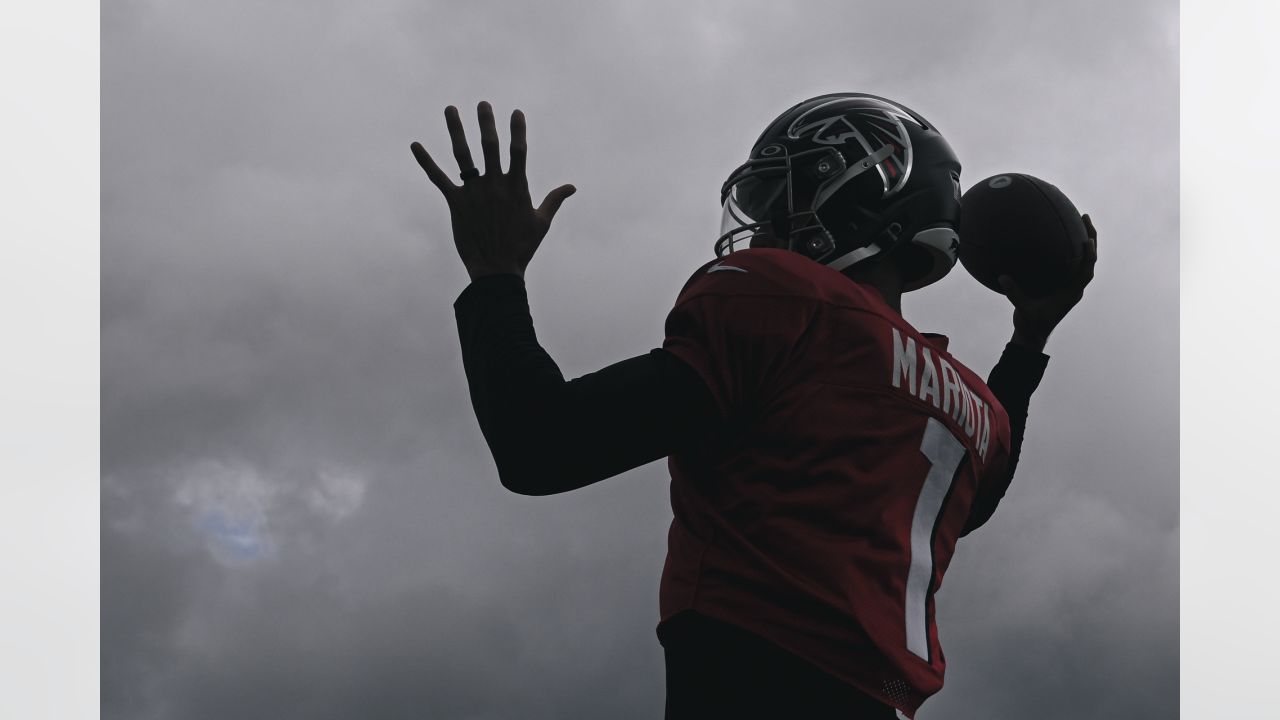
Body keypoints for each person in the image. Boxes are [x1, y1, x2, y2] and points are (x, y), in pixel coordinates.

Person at [410, 93, 1096, 719]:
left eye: (788, 193)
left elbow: (542, 447)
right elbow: (968, 503)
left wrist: (495, 275)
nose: (768, 219)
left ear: (872, 191)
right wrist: (1028, 341)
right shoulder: (973, 407)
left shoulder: (783, 300)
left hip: (751, 686)